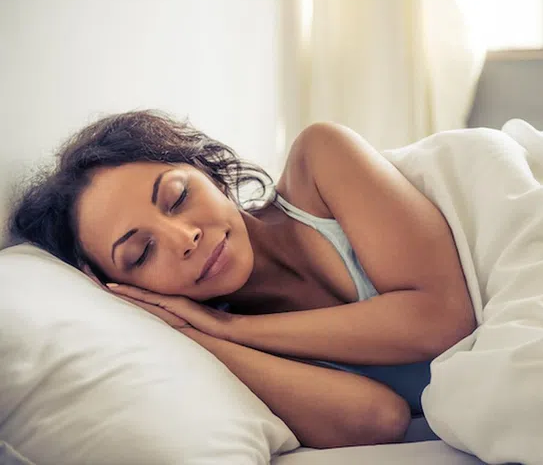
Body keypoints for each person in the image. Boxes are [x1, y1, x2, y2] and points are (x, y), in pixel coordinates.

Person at [11, 110, 475, 449]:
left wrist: (231, 329)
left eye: (177, 198)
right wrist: (200, 336)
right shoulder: (231, 354)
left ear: (207, 171)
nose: (185, 236)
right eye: (141, 253)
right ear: (127, 290)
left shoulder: (321, 162)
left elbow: (443, 318)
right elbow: (378, 419)